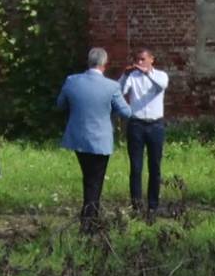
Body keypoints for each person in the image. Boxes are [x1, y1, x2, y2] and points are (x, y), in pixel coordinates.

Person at [57, 48, 132, 232]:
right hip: (100, 139)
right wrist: (109, 111)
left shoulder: (72, 81)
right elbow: (126, 112)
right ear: (104, 65)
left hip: (78, 138)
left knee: (89, 178)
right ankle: (89, 222)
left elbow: (60, 104)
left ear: (88, 61)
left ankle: (90, 217)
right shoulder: (111, 87)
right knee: (95, 180)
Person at [119, 48, 169, 216]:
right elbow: (119, 92)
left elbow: (160, 87)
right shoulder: (132, 77)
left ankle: (153, 205)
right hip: (136, 124)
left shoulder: (160, 75)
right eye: (137, 60)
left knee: (154, 166)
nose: (139, 63)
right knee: (136, 167)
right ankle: (136, 205)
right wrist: (125, 75)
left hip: (156, 125)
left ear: (151, 60)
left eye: (142, 59)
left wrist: (147, 74)